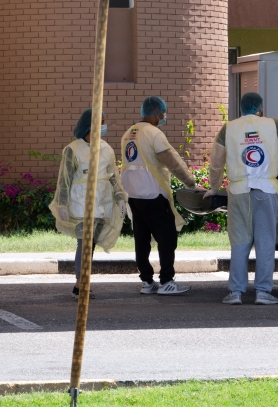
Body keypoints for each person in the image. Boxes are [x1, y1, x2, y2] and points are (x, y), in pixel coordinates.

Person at [207, 92, 278, 305]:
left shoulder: (228, 128)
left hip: (238, 192)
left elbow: (216, 161)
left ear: (241, 108)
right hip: (266, 191)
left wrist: (214, 187)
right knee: (265, 243)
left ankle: (235, 292)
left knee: (240, 242)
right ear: (260, 108)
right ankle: (263, 292)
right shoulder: (275, 125)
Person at [120, 96, 198, 295]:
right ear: (156, 113)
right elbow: (171, 161)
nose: (164, 116)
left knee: (142, 238)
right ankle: (166, 281)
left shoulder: (129, 133)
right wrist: (190, 183)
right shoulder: (154, 133)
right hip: (152, 191)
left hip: (134, 193)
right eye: (163, 112)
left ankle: (147, 281)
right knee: (167, 237)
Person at [49, 108, 127, 299]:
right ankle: (81, 284)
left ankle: (81, 283)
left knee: (89, 244)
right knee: (84, 242)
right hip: (80, 202)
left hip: (102, 203)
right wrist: (62, 204)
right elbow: (64, 180)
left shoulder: (106, 149)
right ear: (90, 125)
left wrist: (120, 198)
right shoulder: (72, 149)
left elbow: (113, 176)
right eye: (101, 122)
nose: (104, 126)